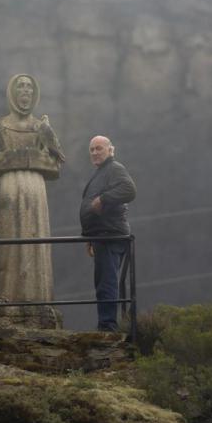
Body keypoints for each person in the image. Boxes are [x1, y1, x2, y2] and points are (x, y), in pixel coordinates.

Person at [0, 74, 66, 329]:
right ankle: (5, 301)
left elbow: (55, 163)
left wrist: (25, 158)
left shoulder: (42, 127)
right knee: (8, 243)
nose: (25, 91)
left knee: (36, 241)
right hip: (10, 192)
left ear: (35, 94)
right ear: (11, 93)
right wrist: (30, 157)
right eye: (20, 86)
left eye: (30, 87)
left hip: (37, 194)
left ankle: (39, 301)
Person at [80, 135, 136, 332]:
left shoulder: (114, 168)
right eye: (92, 150)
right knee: (103, 282)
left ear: (110, 150)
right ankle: (106, 325)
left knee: (107, 283)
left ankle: (108, 328)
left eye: (99, 148)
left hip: (111, 236)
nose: (95, 152)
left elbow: (129, 190)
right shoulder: (102, 172)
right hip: (101, 236)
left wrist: (103, 199)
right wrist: (88, 236)